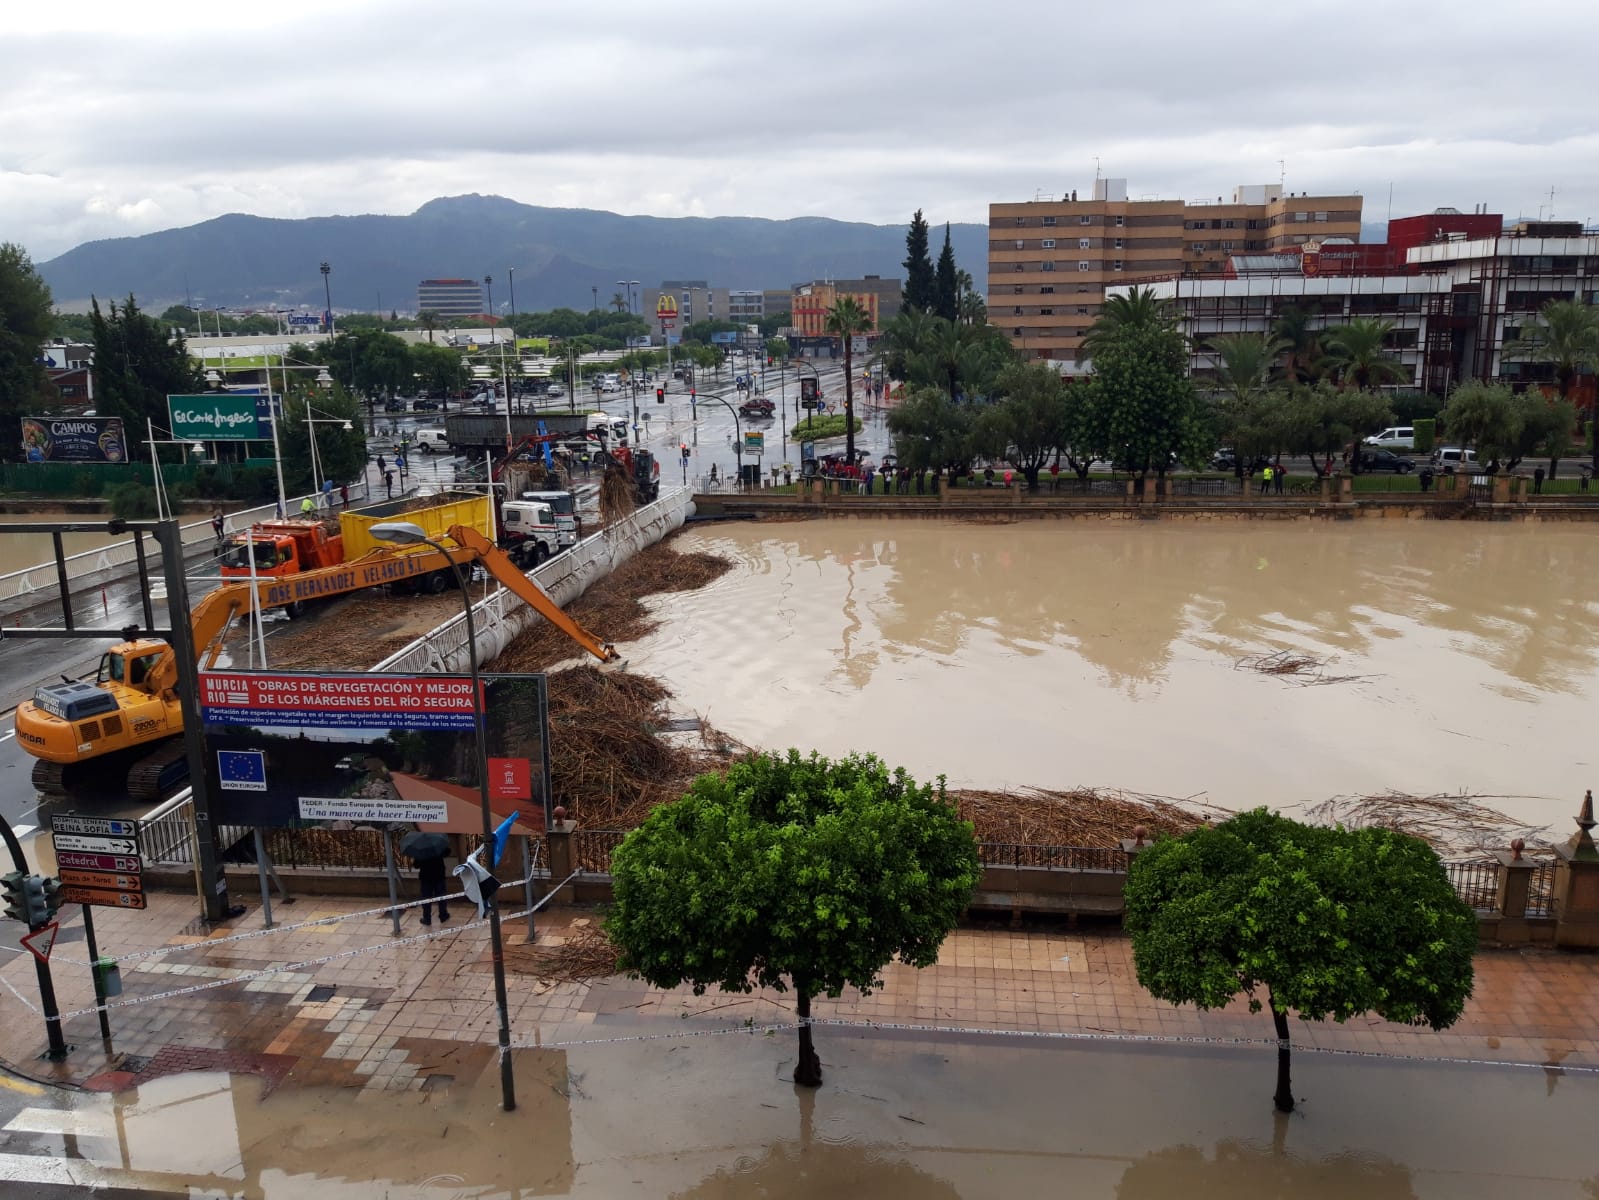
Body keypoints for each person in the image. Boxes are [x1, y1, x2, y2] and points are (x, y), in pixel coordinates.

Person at [417, 854, 450, 926]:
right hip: (439, 875)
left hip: (426, 877)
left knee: (426, 898)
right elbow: (447, 852)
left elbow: (416, 865)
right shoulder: (437, 847)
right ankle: (443, 915)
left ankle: (427, 918)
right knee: (441, 896)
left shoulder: (421, 850)